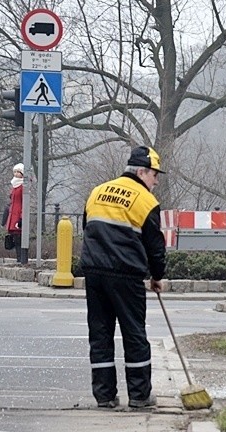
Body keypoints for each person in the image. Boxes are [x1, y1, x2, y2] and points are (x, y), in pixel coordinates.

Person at [80, 146, 167, 409]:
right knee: (134, 333)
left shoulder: (98, 191)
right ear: (141, 171)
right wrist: (157, 276)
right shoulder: (146, 200)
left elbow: (87, 228)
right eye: (154, 175)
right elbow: (155, 246)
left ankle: (104, 396)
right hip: (126, 274)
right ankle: (139, 396)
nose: (156, 181)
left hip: (94, 272)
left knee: (100, 333)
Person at [4, 163, 25, 263]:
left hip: (17, 214)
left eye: (18, 172)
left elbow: (24, 203)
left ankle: (21, 259)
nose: (16, 174)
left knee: (18, 238)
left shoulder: (23, 186)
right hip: (12, 214)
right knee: (14, 238)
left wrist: (21, 218)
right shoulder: (14, 185)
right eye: (15, 172)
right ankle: (18, 258)